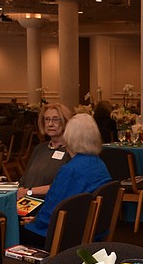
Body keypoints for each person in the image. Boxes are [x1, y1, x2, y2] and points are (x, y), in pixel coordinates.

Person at [20, 114, 113, 248]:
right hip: (91, 230)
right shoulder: (99, 163)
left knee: (12, 227)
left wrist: (35, 221)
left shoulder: (70, 170)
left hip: (63, 236)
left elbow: (51, 211)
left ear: (69, 138)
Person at [18, 103, 73, 198]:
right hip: (26, 201)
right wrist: (20, 190)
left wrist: (29, 192)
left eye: (55, 119)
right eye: (47, 119)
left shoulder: (71, 151)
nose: (50, 124)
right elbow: (24, 179)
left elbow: (64, 185)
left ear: (66, 122)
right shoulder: (40, 148)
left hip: (48, 204)